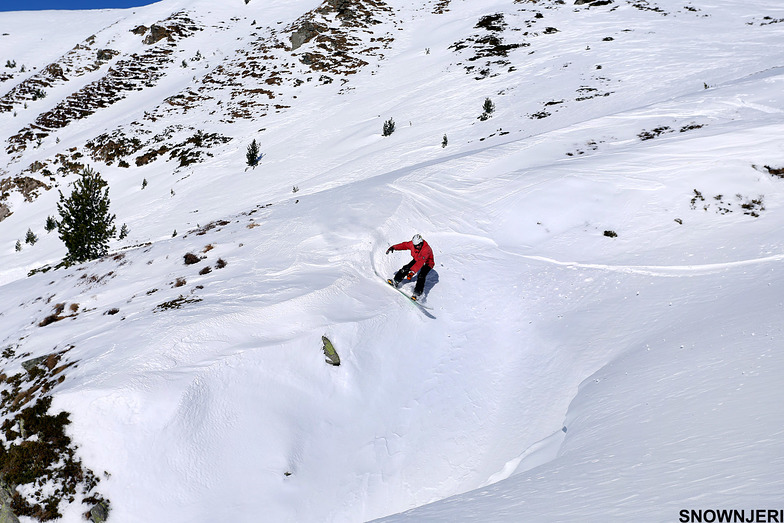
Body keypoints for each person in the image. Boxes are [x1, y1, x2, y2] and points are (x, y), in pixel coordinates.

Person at [385, 234, 434, 300]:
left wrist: (412, 272)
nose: (417, 247)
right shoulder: (412, 244)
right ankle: (396, 281)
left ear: (421, 243)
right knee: (406, 268)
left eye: (419, 245)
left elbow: (420, 263)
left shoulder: (426, 249)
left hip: (428, 263)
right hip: (417, 258)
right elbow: (404, 245)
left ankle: (417, 294)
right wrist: (394, 247)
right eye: (416, 246)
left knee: (421, 276)